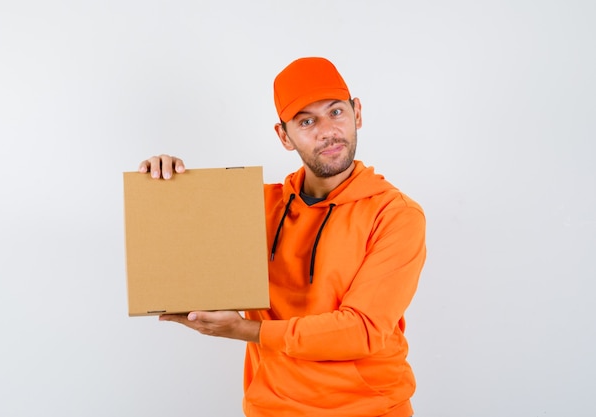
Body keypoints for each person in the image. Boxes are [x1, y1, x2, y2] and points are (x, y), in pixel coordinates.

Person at [139, 57, 426, 417]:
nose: (326, 131)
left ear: (358, 113)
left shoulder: (395, 214)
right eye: (306, 121)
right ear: (283, 136)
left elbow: (362, 331)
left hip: (368, 409)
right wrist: (163, 189)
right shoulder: (255, 205)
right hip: (271, 409)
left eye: (336, 112)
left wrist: (247, 329)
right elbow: (183, 263)